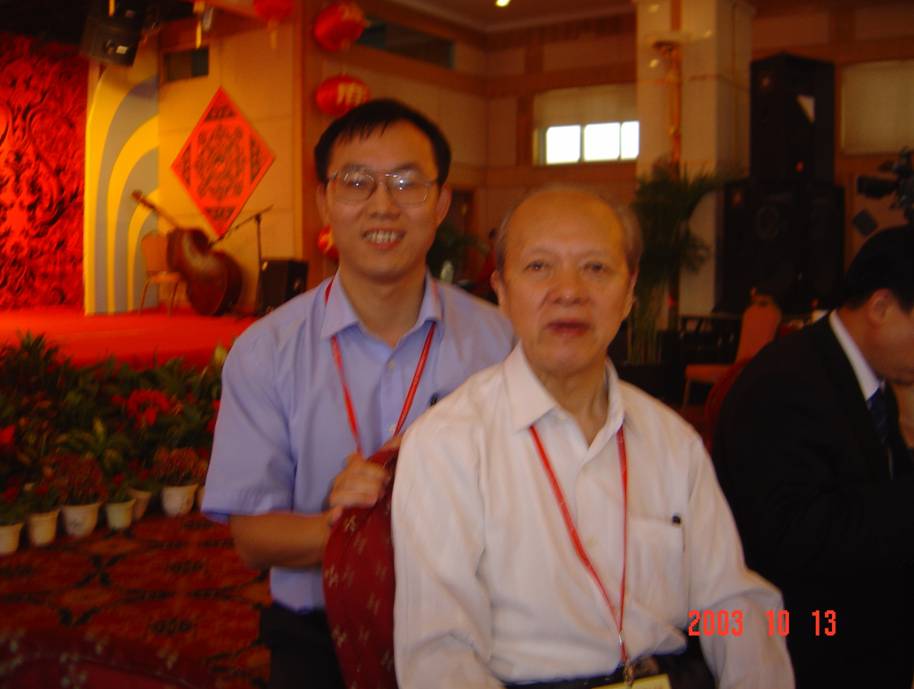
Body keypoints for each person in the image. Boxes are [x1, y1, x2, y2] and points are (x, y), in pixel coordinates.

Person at [392, 186, 793, 689]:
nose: (569, 291)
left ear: (630, 293)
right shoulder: (446, 445)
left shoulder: (673, 441)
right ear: (501, 291)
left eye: (596, 268)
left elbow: (730, 602)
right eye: (539, 266)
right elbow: (439, 655)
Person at [202, 98, 514, 689]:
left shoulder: (498, 342)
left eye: (407, 183)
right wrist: (352, 529)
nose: (383, 205)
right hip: (320, 635)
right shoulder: (266, 351)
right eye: (356, 182)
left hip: (473, 626)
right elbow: (253, 537)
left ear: (441, 203)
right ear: (325, 201)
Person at [713, 225, 914, 689]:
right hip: (810, 651)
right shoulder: (784, 383)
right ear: (881, 307)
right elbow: (789, 535)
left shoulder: (869, 378)